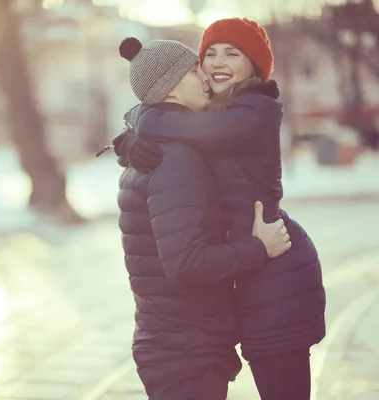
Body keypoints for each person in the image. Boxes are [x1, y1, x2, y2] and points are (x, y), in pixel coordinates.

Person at [114, 18, 326, 400]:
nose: (214, 63)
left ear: (255, 66)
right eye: (207, 55)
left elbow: (177, 122)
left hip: (275, 273)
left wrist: (139, 120)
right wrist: (133, 138)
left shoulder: (254, 111)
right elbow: (175, 119)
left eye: (232, 53)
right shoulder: (210, 114)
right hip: (243, 275)